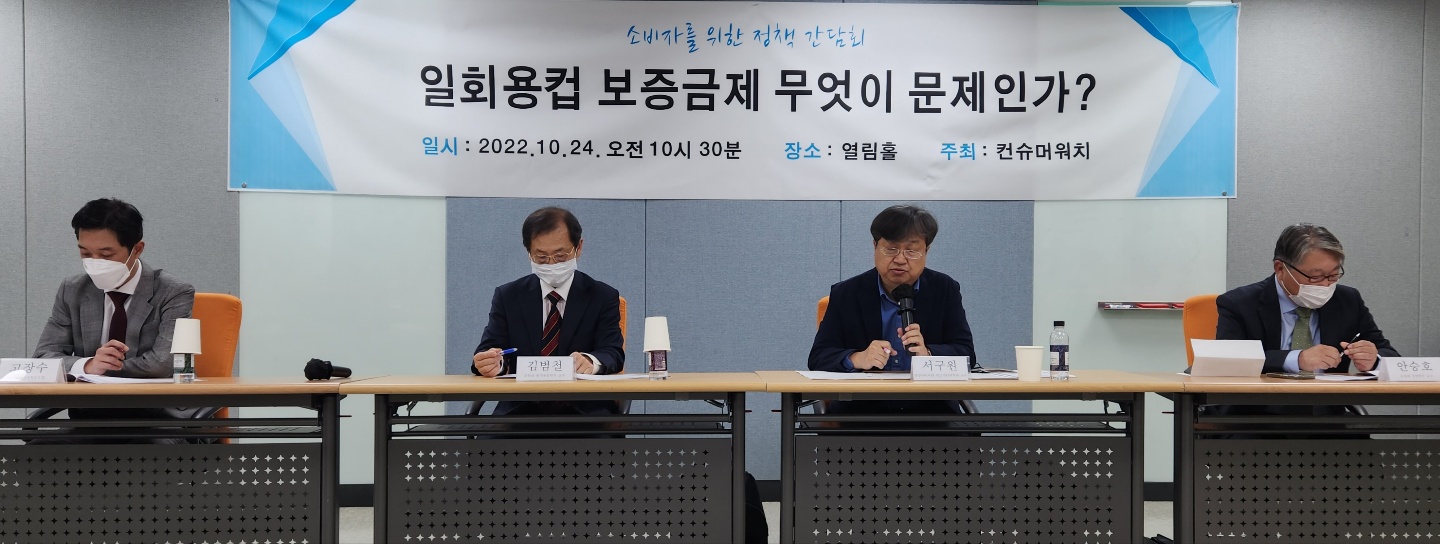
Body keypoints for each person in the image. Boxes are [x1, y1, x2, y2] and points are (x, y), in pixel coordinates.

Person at [33, 198, 197, 422]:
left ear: (137, 249)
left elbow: (162, 364)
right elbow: (43, 358)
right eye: (85, 254)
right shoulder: (72, 289)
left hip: (157, 418)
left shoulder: (173, 292)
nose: (95, 263)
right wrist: (88, 365)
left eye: (106, 255)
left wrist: (101, 368)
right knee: (40, 445)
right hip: (89, 418)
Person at [1213, 223, 1399, 419]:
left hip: (1326, 416)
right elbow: (1230, 362)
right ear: (1280, 268)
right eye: (1315, 277)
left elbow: (1391, 356)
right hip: (1253, 416)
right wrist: (1297, 359)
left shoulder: (1347, 301)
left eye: (1333, 275)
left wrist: (1373, 360)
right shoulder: (1239, 303)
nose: (1326, 285)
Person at [808, 204, 976, 414]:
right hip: (861, 412)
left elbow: (966, 354)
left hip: (932, 411)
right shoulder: (846, 293)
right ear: (875, 246)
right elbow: (819, 357)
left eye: (911, 251)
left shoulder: (944, 289)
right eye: (891, 249)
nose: (900, 259)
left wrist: (929, 354)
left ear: (926, 250)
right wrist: (858, 358)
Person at [471, 207, 624, 415]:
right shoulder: (508, 296)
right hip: (519, 412)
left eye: (560, 256)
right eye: (541, 257)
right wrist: (492, 363)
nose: (551, 264)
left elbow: (613, 352)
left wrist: (590, 361)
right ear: (529, 253)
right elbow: (490, 349)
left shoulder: (602, 296)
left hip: (584, 412)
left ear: (578, 247)